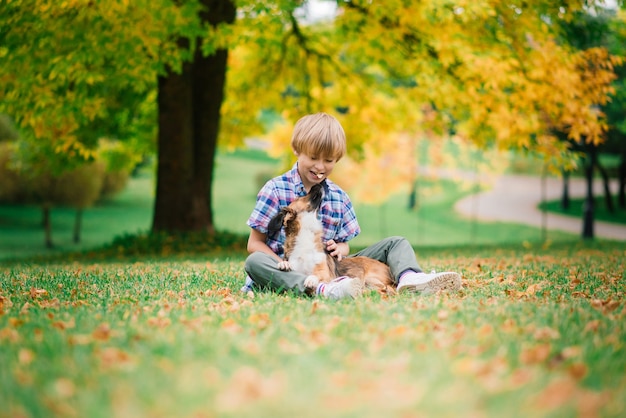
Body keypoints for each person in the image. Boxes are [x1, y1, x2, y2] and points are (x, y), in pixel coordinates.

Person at [242, 112, 461, 299]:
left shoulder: (339, 197)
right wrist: (282, 264)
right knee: (255, 262)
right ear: (297, 150)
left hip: (333, 269)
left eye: (329, 160)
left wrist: (340, 248)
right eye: (313, 157)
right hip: (289, 267)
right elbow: (255, 243)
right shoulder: (275, 190)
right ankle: (322, 290)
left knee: (396, 243)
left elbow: (344, 247)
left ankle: (410, 279)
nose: (320, 166)